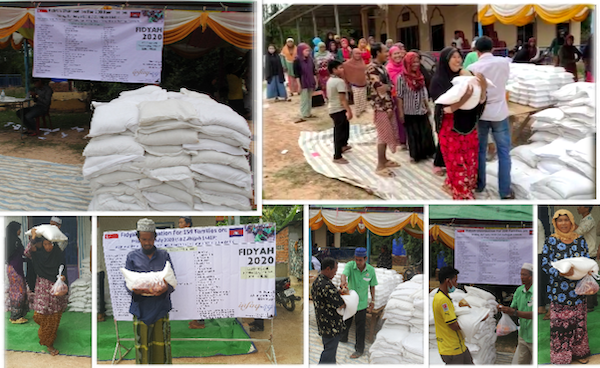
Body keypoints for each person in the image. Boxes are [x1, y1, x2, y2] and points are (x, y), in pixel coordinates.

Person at [431, 46, 487, 199]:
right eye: (453, 57)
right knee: (457, 162)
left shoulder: (467, 78)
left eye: (459, 57)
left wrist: (482, 89)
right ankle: (461, 193)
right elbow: (444, 109)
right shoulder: (439, 81)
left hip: (468, 125)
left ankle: (452, 184)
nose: (458, 60)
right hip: (450, 128)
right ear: (445, 61)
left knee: (470, 159)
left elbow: (480, 101)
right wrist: (463, 99)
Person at [541, 209, 591, 364]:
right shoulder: (551, 241)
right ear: (555, 223)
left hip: (578, 290)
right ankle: (562, 357)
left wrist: (587, 270)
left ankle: (578, 352)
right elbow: (545, 265)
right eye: (559, 220)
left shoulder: (580, 240)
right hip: (559, 291)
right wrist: (560, 273)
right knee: (561, 326)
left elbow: (587, 259)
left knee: (578, 324)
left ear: (571, 221)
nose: (563, 223)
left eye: (566, 220)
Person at [468, 36, 513, 200]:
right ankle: (505, 191)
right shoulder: (504, 62)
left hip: (481, 113)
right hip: (500, 112)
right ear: (492, 49)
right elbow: (506, 80)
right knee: (504, 152)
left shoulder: (473, 67)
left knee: (480, 150)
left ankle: (480, 185)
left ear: (476, 52)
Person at [125, 218, 175, 364]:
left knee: (162, 349)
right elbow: (127, 283)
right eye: (144, 239)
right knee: (143, 349)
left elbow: (172, 281)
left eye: (150, 239)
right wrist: (137, 290)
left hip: (160, 307)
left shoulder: (164, 256)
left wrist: (165, 288)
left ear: (155, 237)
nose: (147, 243)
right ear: (138, 238)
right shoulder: (132, 257)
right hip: (141, 309)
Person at [25, 233, 69, 356]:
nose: (48, 246)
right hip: (42, 288)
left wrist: (63, 277)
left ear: (53, 244)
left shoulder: (58, 254)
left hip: (56, 288)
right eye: (45, 244)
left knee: (54, 316)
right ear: (42, 245)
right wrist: (33, 237)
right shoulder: (38, 255)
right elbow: (27, 251)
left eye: (50, 243)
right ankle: (45, 333)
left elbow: (63, 267)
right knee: (40, 315)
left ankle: (49, 343)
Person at [367, 43, 401, 178]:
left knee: (387, 134)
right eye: (385, 52)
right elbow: (380, 89)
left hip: (387, 105)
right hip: (381, 107)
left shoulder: (381, 68)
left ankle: (384, 160)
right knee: (382, 135)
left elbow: (389, 86)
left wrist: (388, 87)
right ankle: (380, 165)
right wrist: (387, 106)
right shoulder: (371, 69)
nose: (387, 54)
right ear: (377, 53)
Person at [396, 51, 436, 162]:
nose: (415, 64)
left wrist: (427, 106)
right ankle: (415, 155)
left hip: (421, 109)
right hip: (409, 110)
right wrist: (401, 112)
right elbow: (399, 96)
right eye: (413, 62)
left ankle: (428, 152)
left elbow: (423, 93)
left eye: (417, 62)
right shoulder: (401, 78)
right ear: (407, 63)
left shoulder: (420, 76)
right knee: (413, 134)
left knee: (425, 132)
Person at [340, 247, 377, 359]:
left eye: (360, 260)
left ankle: (359, 349)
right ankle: (343, 338)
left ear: (365, 259)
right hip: (350, 301)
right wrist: (343, 282)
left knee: (360, 327)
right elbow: (343, 275)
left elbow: (372, 286)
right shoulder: (350, 266)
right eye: (356, 259)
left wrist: (373, 300)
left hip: (361, 303)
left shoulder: (370, 270)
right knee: (346, 321)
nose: (358, 262)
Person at [432, 266, 473, 364]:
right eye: (455, 281)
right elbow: (453, 325)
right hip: (451, 349)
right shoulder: (442, 300)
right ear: (448, 281)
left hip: (459, 346)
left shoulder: (446, 297)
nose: (456, 284)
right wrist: (473, 320)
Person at [498, 263, 534, 364]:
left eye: (525, 275)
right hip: (523, 335)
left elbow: (534, 314)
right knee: (522, 361)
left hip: (534, 336)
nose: (522, 277)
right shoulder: (519, 291)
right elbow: (513, 308)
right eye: (521, 274)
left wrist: (514, 312)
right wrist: (503, 308)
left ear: (531, 277)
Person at [312, 258, 345, 364]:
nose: (335, 274)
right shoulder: (326, 286)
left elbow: (328, 298)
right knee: (329, 351)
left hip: (323, 323)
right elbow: (341, 304)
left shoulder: (317, 282)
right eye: (334, 271)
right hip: (331, 326)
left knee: (330, 350)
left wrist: (337, 292)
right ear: (327, 269)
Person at [326, 60, 353, 164]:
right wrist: (349, 110)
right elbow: (342, 99)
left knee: (345, 127)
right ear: (334, 70)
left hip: (334, 108)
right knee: (339, 131)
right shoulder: (339, 82)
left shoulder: (330, 80)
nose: (342, 69)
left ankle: (343, 146)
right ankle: (337, 156)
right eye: (340, 68)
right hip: (337, 109)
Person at [575, 206, 597, 311]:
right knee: (589, 277)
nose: (578, 208)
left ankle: (589, 305)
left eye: (580, 206)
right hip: (587, 251)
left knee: (587, 279)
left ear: (587, 208)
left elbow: (579, 232)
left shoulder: (589, 220)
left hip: (589, 252)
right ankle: (593, 302)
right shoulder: (585, 219)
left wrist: (570, 222)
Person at [6, 221, 28, 324]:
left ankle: (16, 315)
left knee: (15, 290)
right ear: (15, 230)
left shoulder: (7, 241)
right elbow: (24, 253)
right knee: (19, 292)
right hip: (16, 269)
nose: (20, 231)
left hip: (10, 268)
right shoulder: (16, 241)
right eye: (19, 229)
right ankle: (15, 317)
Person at [386, 45, 408, 148]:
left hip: (408, 94)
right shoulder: (389, 68)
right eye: (395, 54)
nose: (398, 55)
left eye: (399, 53)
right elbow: (394, 82)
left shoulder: (405, 64)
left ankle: (409, 138)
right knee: (400, 117)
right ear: (390, 55)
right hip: (396, 95)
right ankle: (402, 140)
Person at [293, 43, 317, 123]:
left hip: (310, 80)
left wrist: (315, 80)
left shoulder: (310, 59)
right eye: (306, 50)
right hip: (303, 81)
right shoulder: (297, 61)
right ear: (301, 51)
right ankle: (303, 115)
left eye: (308, 51)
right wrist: (299, 85)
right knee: (304, 99)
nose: (308, 52)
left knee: (309, 98)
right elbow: (296, 74)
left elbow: (313, 71)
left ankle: (308, 113)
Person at [343, 48, 368, 118]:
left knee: (363, 96)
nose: (358, 55)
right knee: (357, 97)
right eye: (356, 53)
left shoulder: (362, 61)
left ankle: (363, 109)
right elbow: (344, 69)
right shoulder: (348, 63)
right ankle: (358, 111)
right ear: (352, 54)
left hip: (363, 83)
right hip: (354, 84)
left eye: (359, 53)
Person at [538, 219, 550, 319]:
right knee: (538, 282)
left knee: (543, 282)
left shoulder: (536, 221)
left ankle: (550, 308)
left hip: (541, 253)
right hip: (537, 253)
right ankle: (541, 306)